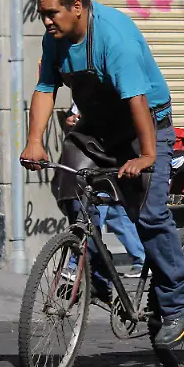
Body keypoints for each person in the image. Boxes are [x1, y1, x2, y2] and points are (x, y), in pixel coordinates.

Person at [20, 0, 184, 350]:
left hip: (145, 127)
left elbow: (138, 101)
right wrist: (35, 142)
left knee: (149, 215)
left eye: (52, 13)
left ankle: (178, 303)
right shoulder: (56, 38)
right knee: (69, 186)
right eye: (43, 14)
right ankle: (97, 276)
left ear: (77, 7)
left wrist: (147, 156)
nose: (47, 21)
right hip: (99, 126)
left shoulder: (114, 38)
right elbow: (46, 87)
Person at [64, 102, 147, 279]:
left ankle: (75, 265)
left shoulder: (118, 94)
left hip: (106, 157)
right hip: (92, 156)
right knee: (117, 217)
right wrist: (72, 120)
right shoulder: (82, 93)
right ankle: (141, 258)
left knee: (91, 215)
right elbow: (75, 115)